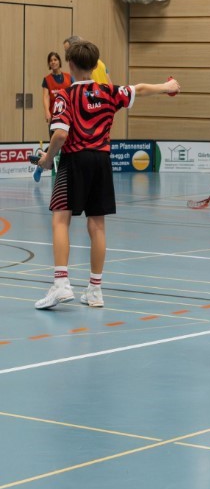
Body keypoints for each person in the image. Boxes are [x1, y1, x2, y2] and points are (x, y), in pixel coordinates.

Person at [34, 40, 180, 310]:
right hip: (101, 161)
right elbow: (139, 88)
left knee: (61, 220)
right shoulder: (109, 91)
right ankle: (95, 290)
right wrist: (167, 86)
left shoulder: (64, 96)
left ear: (70, 64)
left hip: (74, 160)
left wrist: (48, 159)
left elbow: (61, 134)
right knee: (97, 225)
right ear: (94, 65)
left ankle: (61, 283)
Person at [42, 52, 72, 133]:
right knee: (54, 138)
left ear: (59, 61)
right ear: (49, 64)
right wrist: (47, 112)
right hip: (54, 115)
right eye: (51, 60)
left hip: (68, 114)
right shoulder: (47, 79)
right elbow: (45, 97)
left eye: (55, 59)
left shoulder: (69, 77)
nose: (53, 62)